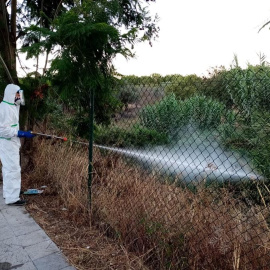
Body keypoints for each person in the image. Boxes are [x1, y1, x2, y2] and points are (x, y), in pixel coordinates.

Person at [0, 84, 35, 206]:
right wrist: (20, 133)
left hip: (10, 142)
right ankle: (12, 198)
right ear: (11, 94)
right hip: (7, 142)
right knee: (12, 169)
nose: (19, 96)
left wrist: (22, 133)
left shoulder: (12, 106)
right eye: (17, 94)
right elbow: (2, 129)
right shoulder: (5, 108)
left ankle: (10, 192)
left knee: (9, 168)